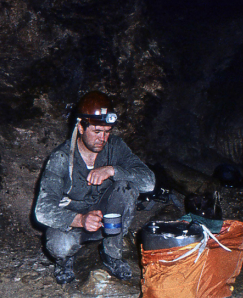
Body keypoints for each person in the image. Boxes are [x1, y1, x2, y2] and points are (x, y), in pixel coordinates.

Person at [34, 90, 155, 284]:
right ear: (81, 127)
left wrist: (113, 170)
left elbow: (148, 182)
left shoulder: (115, 147)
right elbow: (42, 211)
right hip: (75, 221)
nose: (102, 138)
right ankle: (66, 261)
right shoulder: (61, 158)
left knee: (126, 187)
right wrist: (80, 219)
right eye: (97, 131)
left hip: (104, 219)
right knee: (60, 245)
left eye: (107, 132)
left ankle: (112, 254)